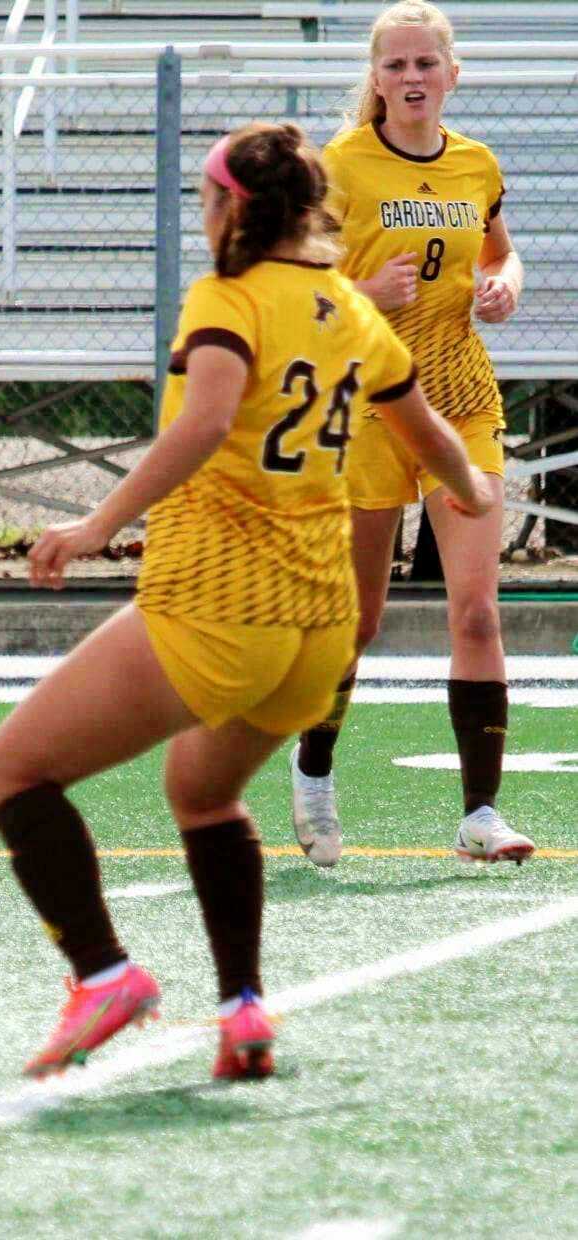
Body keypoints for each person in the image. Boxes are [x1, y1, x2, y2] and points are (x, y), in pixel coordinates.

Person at [0, 122, 487, 1080]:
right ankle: (243, 1009)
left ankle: (104, 974)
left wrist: (97, 524)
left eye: (206, 199)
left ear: (232, 209)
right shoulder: (350, 306)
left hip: (220, 601)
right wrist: (473, 490)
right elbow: (428, 434)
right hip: (320, 627)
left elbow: (207, 420)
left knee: (11, 773)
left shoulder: (228, 296)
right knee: (203, 794)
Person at [289, 0, 532, 868]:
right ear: (377, 77)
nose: (412, 77)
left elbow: (500, 252)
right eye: (395, 64)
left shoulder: (476, 164)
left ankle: (480, 815)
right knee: (357, 621)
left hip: (460, 402)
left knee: (477, 611)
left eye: (426, 63)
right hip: (370, 408)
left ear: (452, 74)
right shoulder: (342, 165)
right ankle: (313, 769)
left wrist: (505, 284)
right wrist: (363, 297)